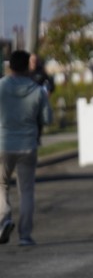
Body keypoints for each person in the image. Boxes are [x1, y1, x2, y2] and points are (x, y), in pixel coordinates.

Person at [0, 50, 53, 247]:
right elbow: (47, 118)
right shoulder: (38, 90)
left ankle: (4, 218)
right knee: (26, 191)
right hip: (28, 145)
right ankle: (25, 235)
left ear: (10, 66)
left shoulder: (1, 86)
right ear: (27, 67)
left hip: (3, 143)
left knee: (1, 185)